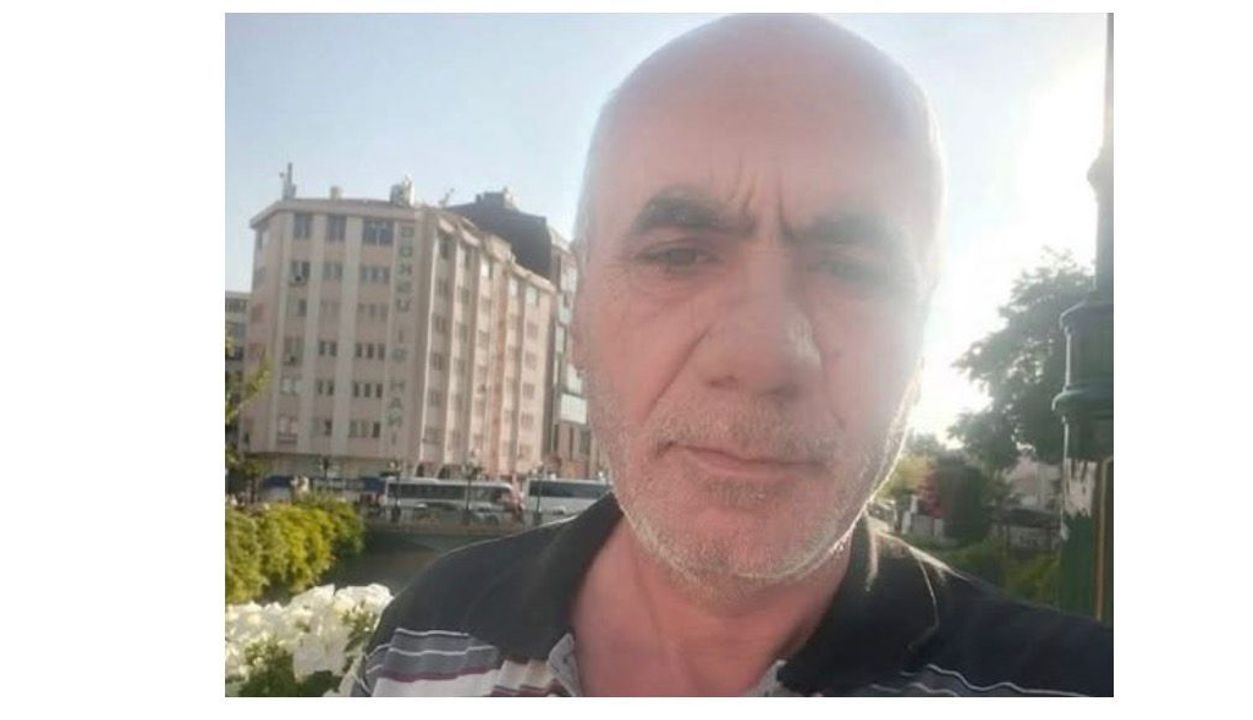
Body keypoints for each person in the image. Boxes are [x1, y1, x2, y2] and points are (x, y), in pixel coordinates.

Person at [347, 14, 1112, 697]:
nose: (762, 358)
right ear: (579, 315)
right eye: (678, 256)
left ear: (920, 341)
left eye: (851, 272)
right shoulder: (420, 634)